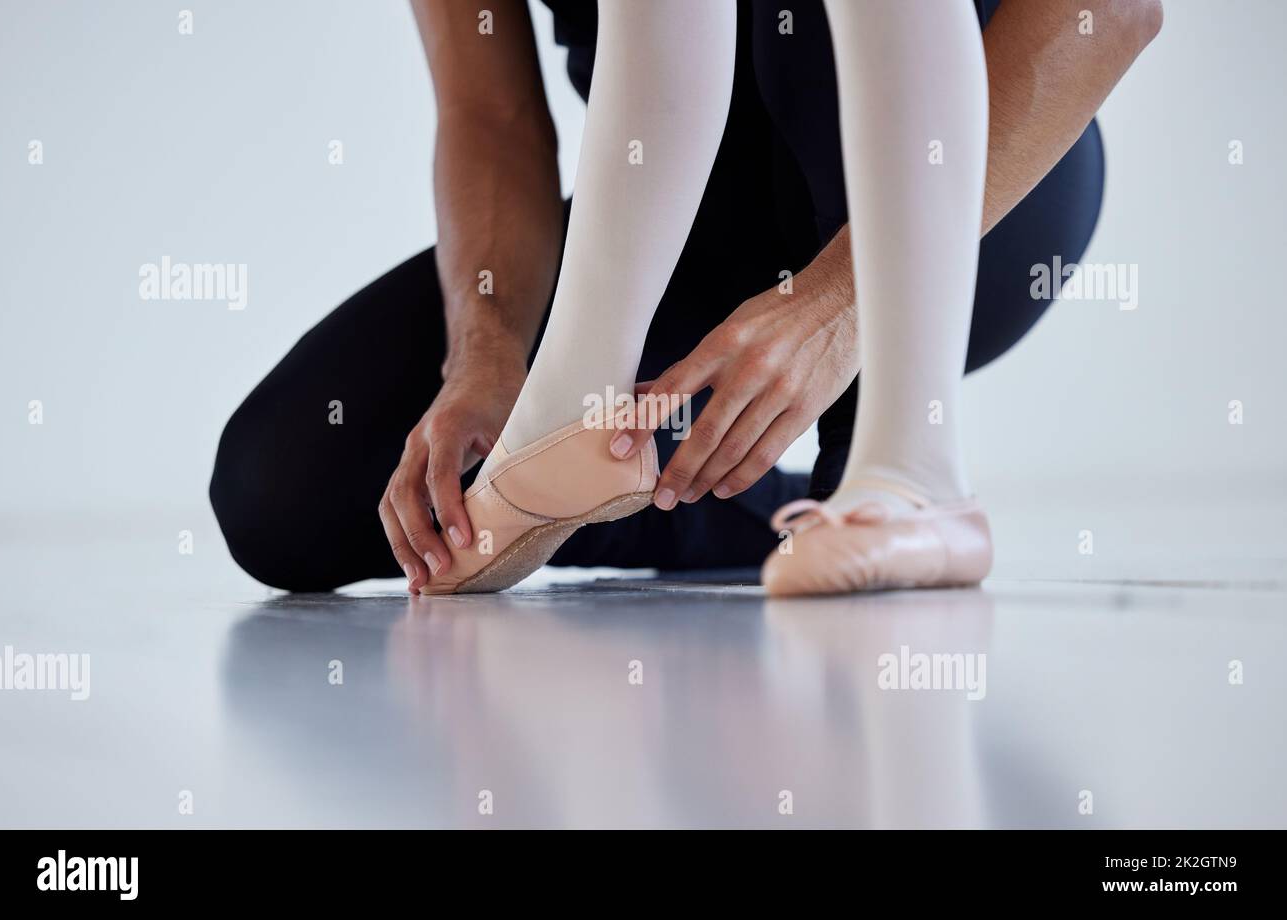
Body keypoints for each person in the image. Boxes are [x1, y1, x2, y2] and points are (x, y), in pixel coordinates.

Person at [209, 0, 1161, 594]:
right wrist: (495, 359)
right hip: (694, 213)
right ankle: (737, 511)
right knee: (283, 486)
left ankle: (893, 467)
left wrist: (837, 309)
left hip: (975, 203)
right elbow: (489, 114)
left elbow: (1115, 8)